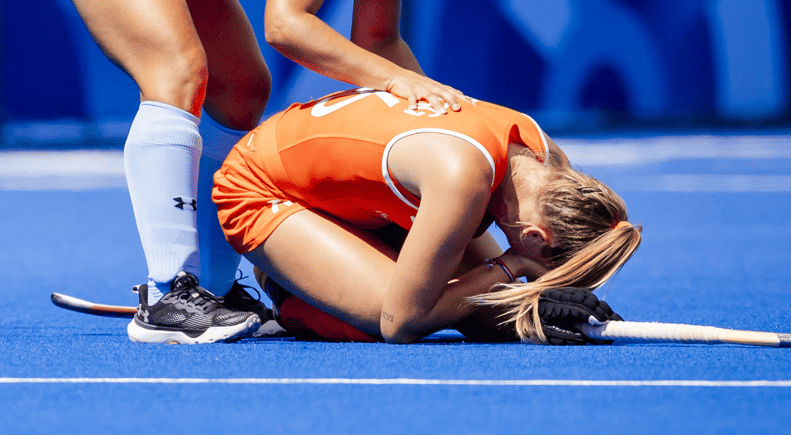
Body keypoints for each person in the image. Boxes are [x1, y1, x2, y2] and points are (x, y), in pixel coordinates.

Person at [31, 0, 497, 344]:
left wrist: (446, 109)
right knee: (177, 73)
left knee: (242, 92)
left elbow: (377, 47)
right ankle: (167, 296)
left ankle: (216, 291)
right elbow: (287, 24)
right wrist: (402, 82)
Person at [213, 87, 643, 343]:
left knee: (471, 304)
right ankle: (290, 291)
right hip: (262, 187)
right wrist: (512, 266)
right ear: (533, 238)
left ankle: (342, 259)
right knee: (388, 316)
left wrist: (532, 310)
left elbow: (477, 307)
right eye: (543, 271)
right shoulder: (463, 180)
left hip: (355, 196)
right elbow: (400, 323)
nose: (536, 280)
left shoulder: (548, 160)